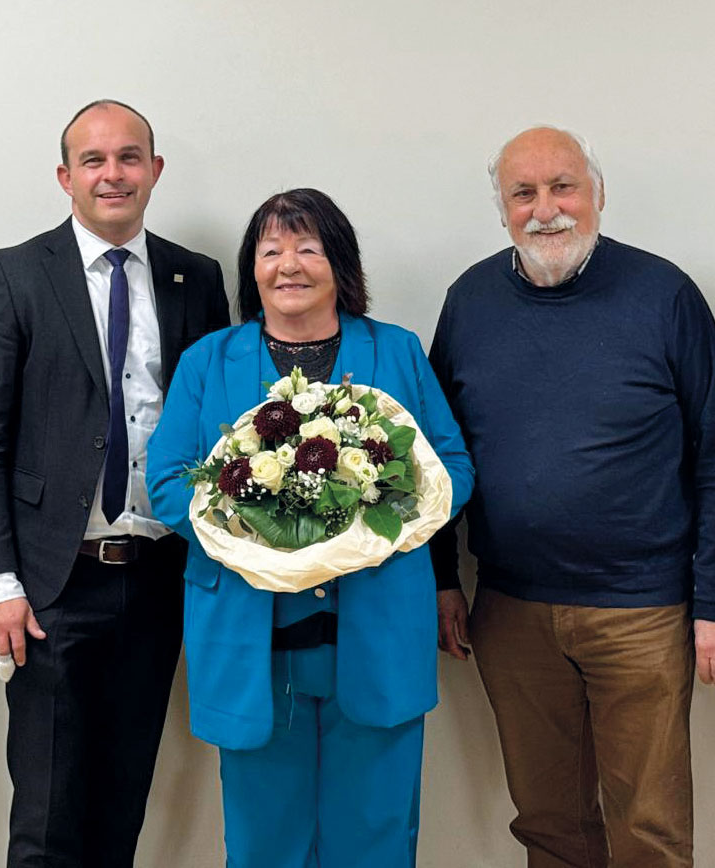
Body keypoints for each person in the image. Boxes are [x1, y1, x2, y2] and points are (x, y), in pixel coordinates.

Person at [429, 127, 715, 868]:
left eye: (563, 186)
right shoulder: (471, 300)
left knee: (651, 830)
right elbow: (433, 460)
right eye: (524, 193)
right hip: (510, 611)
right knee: (549, 827)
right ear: (503, 208)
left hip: (643, 611)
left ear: (598, 193)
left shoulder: (664, 294)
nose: (547, 209)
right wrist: (443, 579)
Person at [146, 188, 474, 867]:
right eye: (270, 250)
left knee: (377, 841)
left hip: (377, 635)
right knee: (266, 845)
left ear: (340, 264)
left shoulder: (399, 351)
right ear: (252, 269)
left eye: (307, 248)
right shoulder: (210, 359)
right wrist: (257, 524)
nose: (288, 264)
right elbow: (168, 480)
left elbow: (454, 466)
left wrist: (376, 514)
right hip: (252, 647)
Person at [0, 99, 229, 867]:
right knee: (47, 816)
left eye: (130, 157)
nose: (114, 174)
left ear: (155, 171)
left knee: (120, 804)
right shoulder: (13, 274)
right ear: (66, 177)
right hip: (50, 586)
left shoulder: (195, 278)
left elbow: (218, 428)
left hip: (159, 579)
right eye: (95, 161)